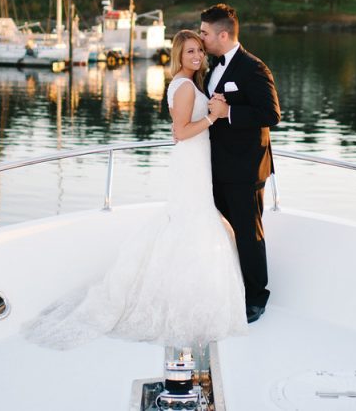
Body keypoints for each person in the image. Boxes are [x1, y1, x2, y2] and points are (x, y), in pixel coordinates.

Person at [22, 30, 246, 349]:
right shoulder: (183, 86)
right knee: (192, 220)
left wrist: (212, 106)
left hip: (197, 160)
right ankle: (179, 301)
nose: (197, 56)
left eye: (200, 50)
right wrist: (212, 115)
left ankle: (188, 293)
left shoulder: (191, 84)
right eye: (190, 51)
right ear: (178, 56)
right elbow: (181, 132)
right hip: (190, 159)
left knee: (193, 219)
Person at [199, 4, 281, 324]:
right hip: (216, 167)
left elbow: (271, 114)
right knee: (219, 232)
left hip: (246, 170)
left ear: (223, 34)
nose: (202, 37)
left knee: (248, 234)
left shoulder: (254, 68)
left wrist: (228, 113)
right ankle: (226, 286)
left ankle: (256, 297)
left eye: (205, 33)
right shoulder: (212, 67)